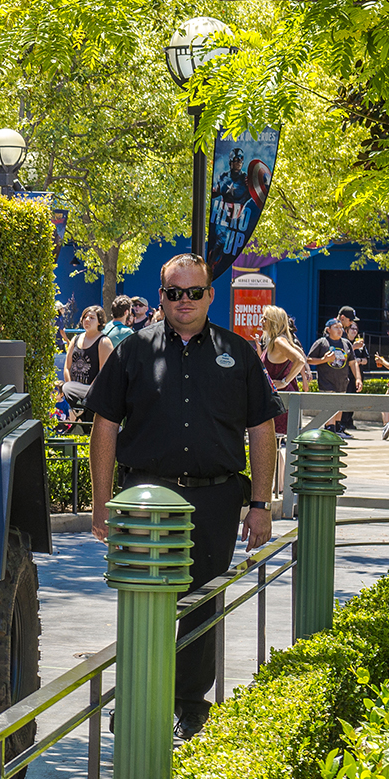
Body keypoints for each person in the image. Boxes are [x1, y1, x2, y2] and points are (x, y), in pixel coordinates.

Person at [89, 253, 281, 740]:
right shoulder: (134, 351)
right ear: (162, 296)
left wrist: (260, 505)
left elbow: (262, 430)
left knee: (202, 605)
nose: (185, 301)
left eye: (194, 292)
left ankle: (189, 704)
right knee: (142, 602)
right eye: (175, 293)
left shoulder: (237, 353)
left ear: (210, 295)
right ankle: (136, 697)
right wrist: (100, 502)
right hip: (145, 498)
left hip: (214, 499)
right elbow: (105, 424)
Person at [258, 305, 308, 494]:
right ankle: (278, 488)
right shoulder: (275, 341)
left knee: (275, 445)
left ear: (272, 321)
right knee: (275, 446)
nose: (261, 321)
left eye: (264, 318)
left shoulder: (279, 341)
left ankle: (280, 488)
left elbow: (300, 360)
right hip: (275, 402)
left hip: (279, 403)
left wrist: (285, 381)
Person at [61, 305, 112, 426]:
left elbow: (104, 374)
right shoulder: (75, 339)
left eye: (92, 317)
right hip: (74, 396)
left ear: (100, 321)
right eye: (85, 317)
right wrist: (70, 388)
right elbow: (67, 367)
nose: (87, 320)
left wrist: (88, 395)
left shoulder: (103, 342)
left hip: (93, 394)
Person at [306, 318, 355, 433]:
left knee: (339, 407)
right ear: (328, 330)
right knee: (329, 407)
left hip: (342, 382)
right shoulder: (321, 343)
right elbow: (308, 359)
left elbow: (353, 363)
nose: (340, 330)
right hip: (326, 383)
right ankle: (329, 430)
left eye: (341, 327)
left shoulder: (346, 343)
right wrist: (324, 359)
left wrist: (358, 378)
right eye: (336, 327)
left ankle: (337, 430)